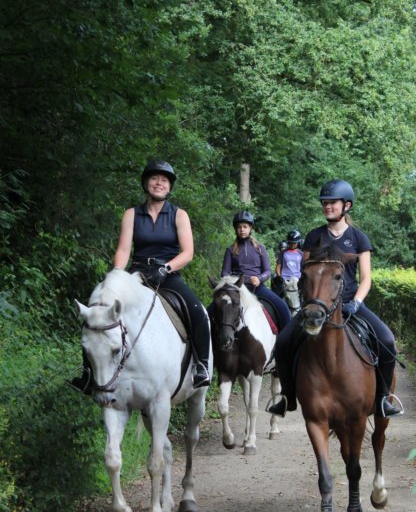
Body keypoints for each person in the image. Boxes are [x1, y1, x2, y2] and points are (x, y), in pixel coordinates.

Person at [70, 159, 210, 392]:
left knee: (197, 311)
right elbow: (123, 250)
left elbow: (187, 253)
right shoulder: (131, 214)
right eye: (154, 178)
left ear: (170, 186)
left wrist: (166, 268)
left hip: (167, 274)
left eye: (164, 180)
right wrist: (117, 274)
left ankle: (201, 366)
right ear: (146, 183)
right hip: (136, 273)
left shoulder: (179, 215)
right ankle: (88, 374)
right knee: (97, 311)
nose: (159, 183)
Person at [268, 179, 403, 418]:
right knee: (283, 341)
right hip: (318, 304)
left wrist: (356, 303)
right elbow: (306, 274)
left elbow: (366, 279)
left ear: (346, 205)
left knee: (387, 340)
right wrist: (309, 301)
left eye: (332, 202)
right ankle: (287, 397)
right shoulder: (314, 236)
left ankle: (383, 399)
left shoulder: (359, 238)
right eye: (324, 203)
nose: (327, 206)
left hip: (350, 304)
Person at [221, 210, 291, 330]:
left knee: (282, 307)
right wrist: (234, 282)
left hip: (257, 287)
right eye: (239, 227)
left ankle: (287, 337)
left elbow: (268, 271)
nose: (242, 229)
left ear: (250, 228)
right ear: (236, 229)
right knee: (211, 309)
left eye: (245, 227)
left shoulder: (260, 248)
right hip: (236, 289)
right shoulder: (230, 250)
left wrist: (259, 278)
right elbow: (224, 274)